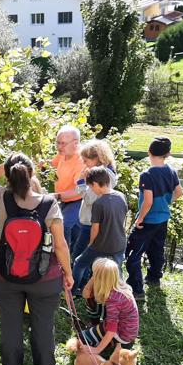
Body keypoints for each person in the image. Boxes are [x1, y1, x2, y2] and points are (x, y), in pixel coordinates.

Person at [0, 153, 73, 365]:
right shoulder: (49, 204)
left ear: (10, 175)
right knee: (43, 327)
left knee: (10, 326)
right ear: (31, 174)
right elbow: (61, 245)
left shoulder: (1, 196)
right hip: (44, 277)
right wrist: (69, 273)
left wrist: (8, 165)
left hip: (6, 274)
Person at [125, 137, 183, 301]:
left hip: (148, 221)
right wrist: (165, 203)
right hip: (163, 219)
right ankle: (154, 278)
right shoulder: (171, 171)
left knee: (133, 253)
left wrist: (140, 218)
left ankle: (137, 289)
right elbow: (179, 192)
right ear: (168, 154)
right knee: (156, 250)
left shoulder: (147, 175)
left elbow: (148, 201)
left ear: (149, 152)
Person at [71, 167, 128, 296]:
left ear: (96, 184)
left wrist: (91, 244)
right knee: (116, 270)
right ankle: (123, 295)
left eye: (91, 187)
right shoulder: (121, 196)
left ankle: (72, 292)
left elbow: (95, 228)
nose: (91, 190)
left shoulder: (98, 203)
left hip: (101, 245)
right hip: (120, 243)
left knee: (79, 263)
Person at [78, 258, 139, 358]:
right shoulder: (118, 285)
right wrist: (95, 277)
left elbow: (111, 329)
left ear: (101, 278)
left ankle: (110, 342)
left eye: (94, 274)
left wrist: (97, 350)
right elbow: (86, 294)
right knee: (90, 301)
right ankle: (103, 335)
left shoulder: (114, 299)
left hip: (122, 334)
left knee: (81, 338)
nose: (92, 276)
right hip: (126, 329)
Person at [73, 139, 118, 261]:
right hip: (97, 221)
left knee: (79, 258)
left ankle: (77, 280)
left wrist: (81, 181)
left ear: (97, 158)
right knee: (93, 257)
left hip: (90, 222)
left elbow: (88, 199)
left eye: (86, 160)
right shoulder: (109, 172)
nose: (85, 164)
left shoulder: (100, 175)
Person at [50, 125, 86, 253]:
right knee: (75, 233)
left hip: (78, 200)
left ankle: (63, 257)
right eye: (58, 143)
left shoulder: (81, 162)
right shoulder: (63, 154)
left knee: (62, 226)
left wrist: (57, 196)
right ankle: (71, 259)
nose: (59, 147)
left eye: (63, 143)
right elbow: (52, 163)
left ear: (76, 143)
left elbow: (79, 191)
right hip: (65, 200)